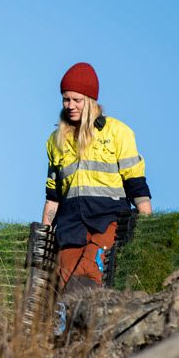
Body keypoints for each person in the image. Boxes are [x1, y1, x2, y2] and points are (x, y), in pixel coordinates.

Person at [41, 62, 152, 288]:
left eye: (77, 100)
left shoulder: (118, 132)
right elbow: (53, 196)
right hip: (71, 225)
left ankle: (102, 320)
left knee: (89, 273)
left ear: (90, 101)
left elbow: (135, 182)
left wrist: (147, 225)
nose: (70, 105)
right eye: (66, 99)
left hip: (109, 220)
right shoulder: (55, 141)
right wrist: (45, 235)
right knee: (63, 282)